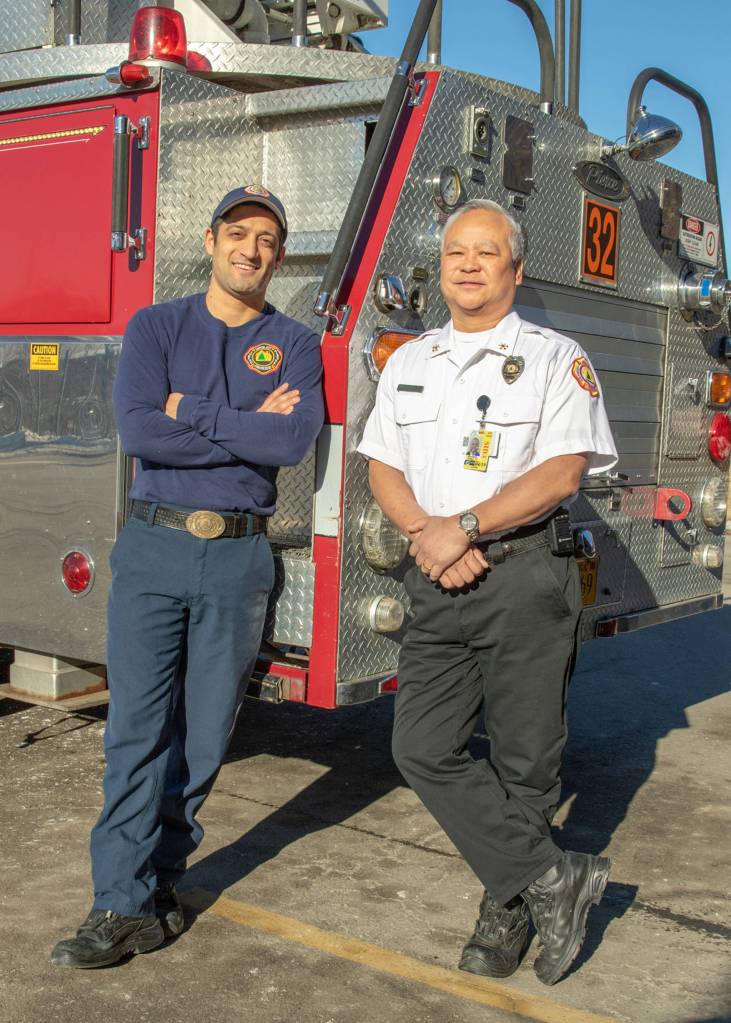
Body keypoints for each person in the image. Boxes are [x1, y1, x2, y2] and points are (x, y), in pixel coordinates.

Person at [51, 185, 324, 969]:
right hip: (156, 546)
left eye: (266, 239)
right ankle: (117, 900)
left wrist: (192, 411)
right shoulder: (156, 326)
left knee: (204, 737)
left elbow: (290, 443)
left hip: (239, 557)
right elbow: (140, 431)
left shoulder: (294, 343)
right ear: (210, 241)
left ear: (279, 256)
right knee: (136, 731)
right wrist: (245, 425)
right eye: (237, 233)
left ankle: (159, 882)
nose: (250, 249)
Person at [357, 199, 618, 986]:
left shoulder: (554, 357)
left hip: (523, 572)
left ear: (515, 267)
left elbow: (562, 472)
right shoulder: (410, 359)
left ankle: (504, 913)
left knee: (523, 759)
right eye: (454, 253)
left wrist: (464, 526)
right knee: (420, 746)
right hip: (437, 572)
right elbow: (382, 464)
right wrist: (428, 535)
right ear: (439, 267)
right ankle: (550, 876)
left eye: (485, 252)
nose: (467, 265)